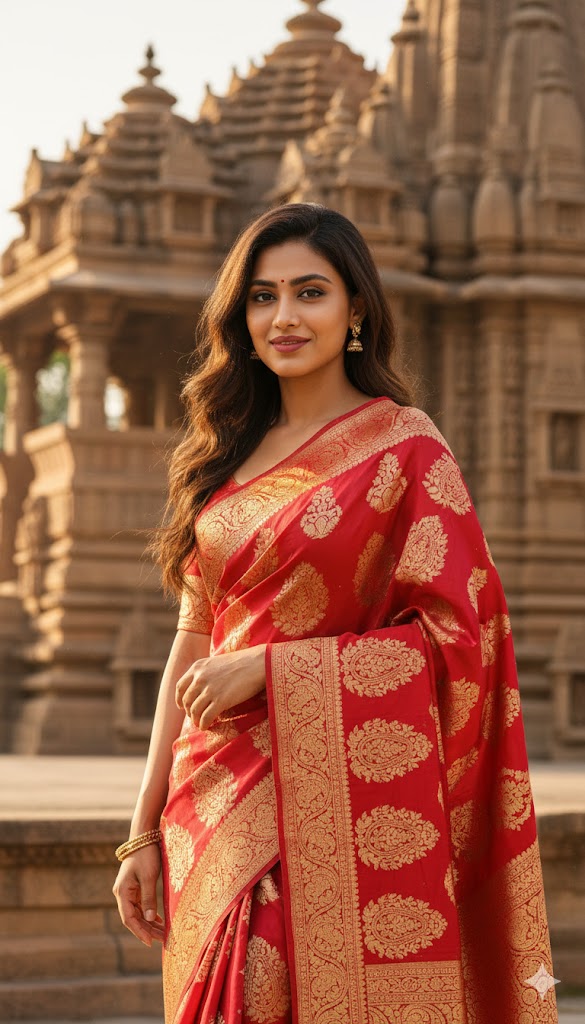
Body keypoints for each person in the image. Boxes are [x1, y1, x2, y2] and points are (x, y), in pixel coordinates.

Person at [113, 203, 558, 1024]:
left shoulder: (406, 450)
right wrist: (142, 831)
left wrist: (276, 669)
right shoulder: (223, 454)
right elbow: (193, 639)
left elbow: (462, 640)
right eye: (261, 296)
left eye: (309, 292)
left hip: (332, 814)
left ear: (355, 309)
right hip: (209, 805)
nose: (283, 317)